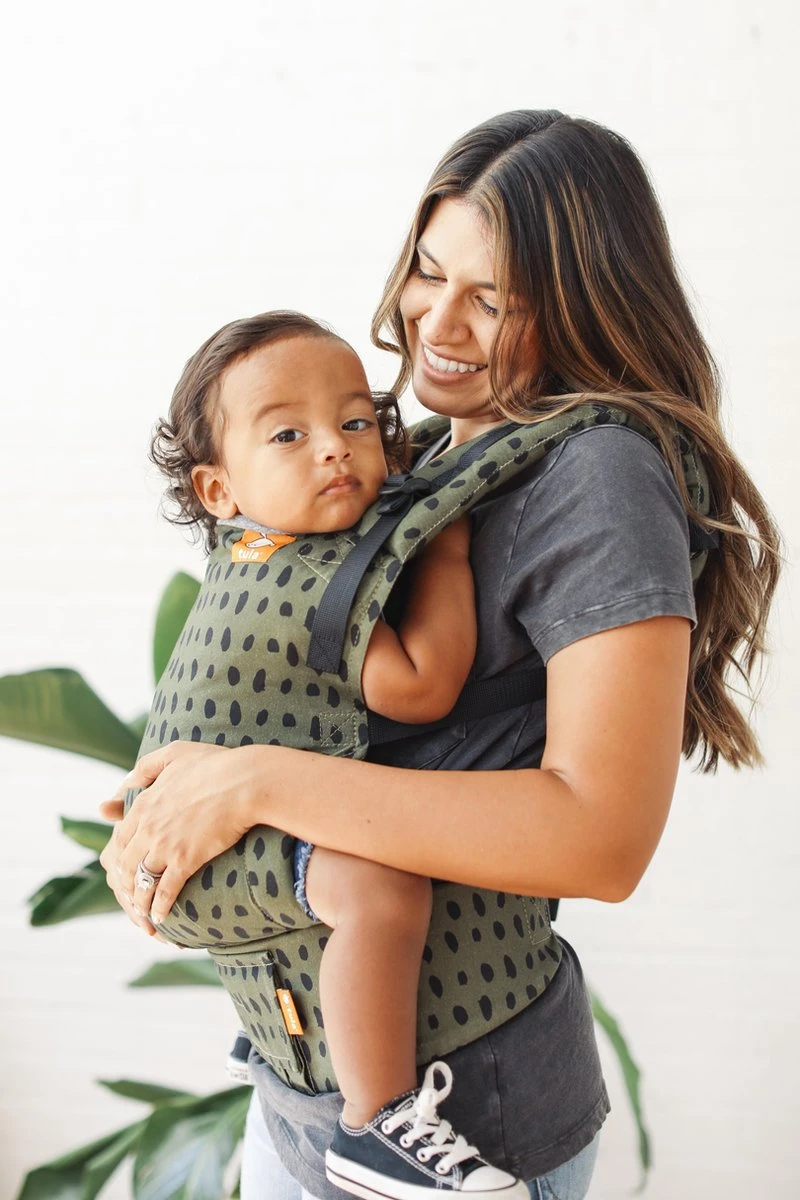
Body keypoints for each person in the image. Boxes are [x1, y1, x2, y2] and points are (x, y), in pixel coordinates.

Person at [100, 109, 781, 1200]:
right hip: (296, 1094)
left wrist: (252, 783)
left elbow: (603, 838)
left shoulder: (598, 476)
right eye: (428, 270)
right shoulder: (410, 456)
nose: (436, 321)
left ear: (583, 307)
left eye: (492, 299)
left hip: (458, 1124)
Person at [132, 310, 527, 1198]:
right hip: (202, 861)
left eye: (355, 420)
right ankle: (378, 1121)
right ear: (218, 488)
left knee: (343, 863)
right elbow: (420, 685)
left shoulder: (250, 551)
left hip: (195, 836)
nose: (335, 447)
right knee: (381, 889)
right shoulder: (308, 579)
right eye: (288, 434)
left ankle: (280, 1029)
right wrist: (448, 547)